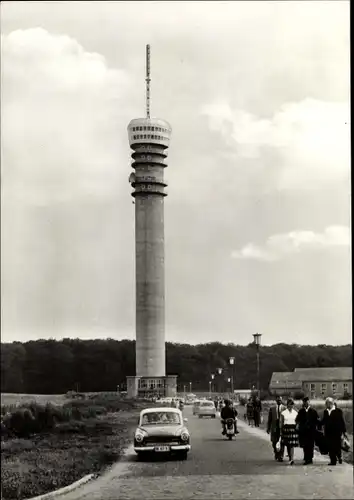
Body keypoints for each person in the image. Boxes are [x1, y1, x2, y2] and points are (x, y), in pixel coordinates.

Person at [321, 397, 347, 466]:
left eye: (326, 404)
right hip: (328, 432)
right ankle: (333, 461)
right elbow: (324, 420)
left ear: (330, 403)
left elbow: (342, 422)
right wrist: (318, 423)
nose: (325, 405)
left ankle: (339, 456)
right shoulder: (325, 411)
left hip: (337, 432)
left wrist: (344, 432)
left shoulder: (338, 411)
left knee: (337, 446)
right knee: (330, 446)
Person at [296, 396, 320, 465]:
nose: (306, 403)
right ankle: (306, 458)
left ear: (309, 402)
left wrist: (318, 427)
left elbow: (317, 420)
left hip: (311, 431)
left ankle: (310, 458)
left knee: (311, 445)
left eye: (307, 402)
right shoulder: (301, 411)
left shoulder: (313, 411)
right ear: (303, 403)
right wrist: (298, 426)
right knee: (305, 445)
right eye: (304, 402)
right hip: (303, 431)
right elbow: (297, 420)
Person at [267, 395, 286, 461]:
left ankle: (281, 456)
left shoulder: (284, 408)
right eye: (278, 400)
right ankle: (276, 453)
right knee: (274, 442)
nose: (279, 401)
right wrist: (268, 428)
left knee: (282, 442)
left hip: (282, 428)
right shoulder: (272, 409)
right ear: (276, 400)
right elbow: (269, 420)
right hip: (274, 427)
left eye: (280, 400)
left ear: (281, 400)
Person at [280, 398, 299, 465]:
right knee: (288, 444)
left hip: (293, 429)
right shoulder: (283, 413)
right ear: (287, 405)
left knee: (292, 445)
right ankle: (289, 457)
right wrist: (281, 431)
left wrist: (297, 427)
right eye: (290, 404)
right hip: (286, 429)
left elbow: (297, 422)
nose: (291, 406)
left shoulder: (296, 412)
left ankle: (291, 459)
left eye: (292, 404)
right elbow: (281, 423)